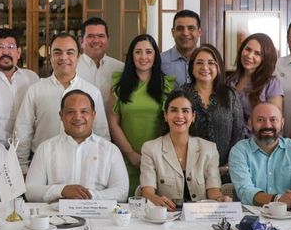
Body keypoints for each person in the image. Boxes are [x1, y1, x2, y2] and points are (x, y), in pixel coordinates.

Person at [15, 32, 110, 171]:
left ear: (78, 57)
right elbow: (23, 131)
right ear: (51, 56)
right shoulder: (35, 90)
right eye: (57, 52)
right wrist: (21, 168)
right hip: (41, 165)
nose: (63, 57)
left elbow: (102, 135)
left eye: (70, 53)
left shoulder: (92, 92)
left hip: (83, 165)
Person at [25, 90, 128, 202]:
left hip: (98, 217)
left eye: (84, 111)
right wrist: (62, 190)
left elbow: (121, 191)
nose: (78, 117)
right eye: (70, 112)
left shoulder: (110, 150)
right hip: (55, 217)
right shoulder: (45, 148)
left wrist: (89, 196)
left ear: (93, 115)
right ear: (61, 115)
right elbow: (30, 190)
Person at [138, 89, 231, 209]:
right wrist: (156, 199)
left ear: (193, 116)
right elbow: (147, 192)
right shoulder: (150, 148)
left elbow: (213, 190)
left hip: (199, 217)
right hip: (165, 217)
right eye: (173, 110)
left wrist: (220, 199)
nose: (179, 116)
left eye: (185, 111)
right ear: (165, 116)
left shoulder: (209, 148)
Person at [106, 34, 174, 195]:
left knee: (157, 204)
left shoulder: (167, 85)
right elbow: (113, 122)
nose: (143, 57)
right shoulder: (118, 85)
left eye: (149, 52)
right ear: (131, 56)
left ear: (156, 56)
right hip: (126, 157)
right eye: (138, 52)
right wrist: (130, 153)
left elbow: (171, 122)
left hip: (159, 158)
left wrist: (153, 156)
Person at [229, 102, 291, 209]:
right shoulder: (239, 150)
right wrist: (278, 200)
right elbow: (245, 191)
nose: (267, 125)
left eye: (273, 120)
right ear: (250, 123)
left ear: (282, 123)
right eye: (260, 120)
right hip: (251, 216)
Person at [181, 44, 243, 180]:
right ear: (191, 67)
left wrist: (227, 166)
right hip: (188, 173)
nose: (205, 67)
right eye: (199, 63)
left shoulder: (229, 95)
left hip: (224, 173)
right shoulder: (181, 94)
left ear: (218, 67)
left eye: (211, 63)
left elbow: (238, 134)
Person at [227, 33, 283, 133]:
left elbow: (274, 124)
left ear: (265, 58)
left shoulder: (272, 84)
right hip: (229, 141)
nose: (249, 55)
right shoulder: (229, 81)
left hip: (256, 143)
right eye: (247, 49)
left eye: (257, 53)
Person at [76, 17, 125, 101]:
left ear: (107, 41)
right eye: (90, 36)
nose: (96, 40)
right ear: (81, 41)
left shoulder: (120, 68)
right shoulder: (71, 67)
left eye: (101, 36)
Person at [160, 9, 202, 87]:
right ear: (173, 32)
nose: (185, 33)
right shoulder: (160, 61)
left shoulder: (208, 62)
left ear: (199, 32)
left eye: (191, 28)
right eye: (180, 28)